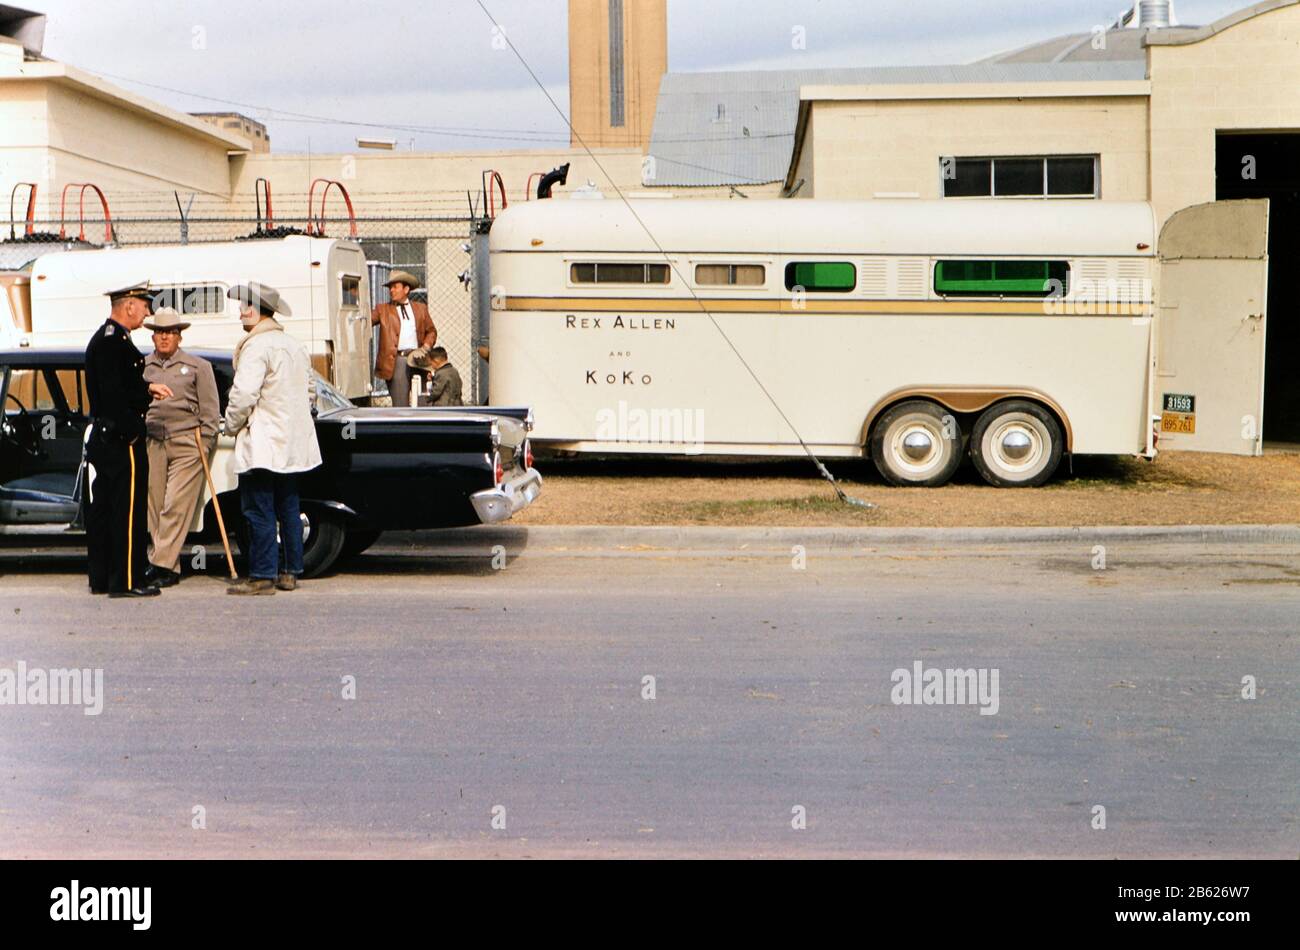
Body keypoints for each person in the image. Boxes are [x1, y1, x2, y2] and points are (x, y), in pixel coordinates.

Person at [223, 282, 322, 596]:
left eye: (243, 306)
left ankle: (262, 574)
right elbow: (310, 391)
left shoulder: (256, 346)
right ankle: (290, 570)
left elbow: (243, 395)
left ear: (254, 310)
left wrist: (230, 425)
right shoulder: (293, 344)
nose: (240, 312)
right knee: (288, 507)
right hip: (291, 441)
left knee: (258, 509)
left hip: (264, 439)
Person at [84, 281, 174, 598]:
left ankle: (102, 576)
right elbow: (113, 395)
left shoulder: (109, 339)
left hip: (108, 434)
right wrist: (133, 430)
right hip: (121, 437)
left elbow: (119, 383)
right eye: (144, 305)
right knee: (128, 509)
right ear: (129, 305)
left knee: (105, 508)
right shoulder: (114, 343)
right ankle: (127, 579)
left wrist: (148, 388)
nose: (147, 312)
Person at [141, 308, 220, 588]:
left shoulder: (199, 366)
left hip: (187, 442)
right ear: (152, 336)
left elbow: (210, 411)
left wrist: (207, 443)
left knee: (175, 505)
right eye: (160, 332)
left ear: (179, 336)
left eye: (170, 332)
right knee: (154, 505)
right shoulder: (143, 366)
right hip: (153, 440)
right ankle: (169, 566)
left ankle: (159, 564)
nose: (164, 338)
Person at [371, 270, 436, 407]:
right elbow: (365, 321)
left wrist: (425, 347)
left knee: (424, 402)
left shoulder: (420, 308)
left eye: (395, 287)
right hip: (397, 361)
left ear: (406, 289)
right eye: (390, 287)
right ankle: (402, 428)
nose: (391, 290)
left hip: (418, 358)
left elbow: (431, 331)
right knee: (400, 405)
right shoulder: (382, 309)